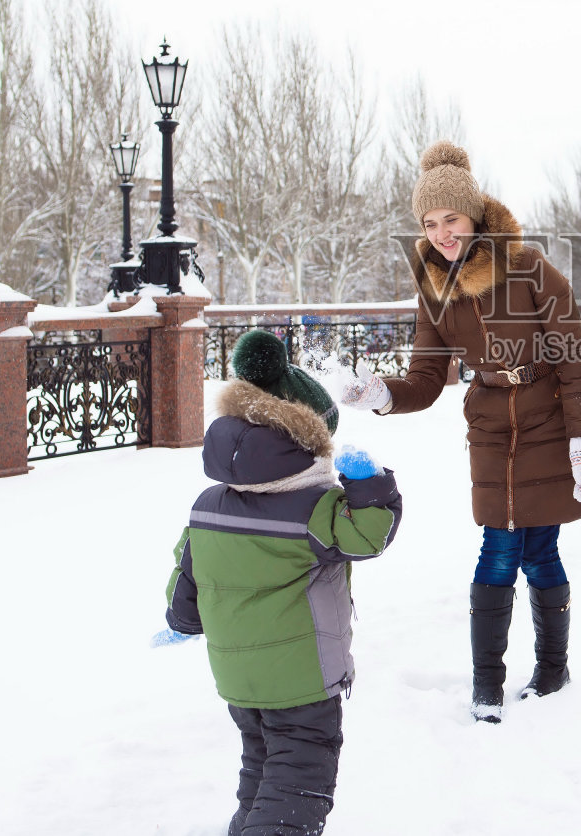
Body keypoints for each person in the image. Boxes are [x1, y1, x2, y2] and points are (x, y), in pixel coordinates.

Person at [342, 140, 581, 723]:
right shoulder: (435, 289)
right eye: (429, 223)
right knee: (499, 546)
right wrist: (381, 394)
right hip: (489, 423)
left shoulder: (530, 269)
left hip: (547, 415)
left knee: (540, 549)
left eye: (450, 219)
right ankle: (488, 684)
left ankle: (552, 671)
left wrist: (580, 434)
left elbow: (573, 355)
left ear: (474, 214)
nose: (441, 232)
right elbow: (427, 377)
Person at [162, 329, 403, 836]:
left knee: (261, 771)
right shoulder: (316, 511)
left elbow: (186, 586)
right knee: (298, 787)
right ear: (307, 444)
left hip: (237, 680)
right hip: (301, 682)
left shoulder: (208, 507)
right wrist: (370, 483)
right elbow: (370, 535)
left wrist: (182, 619)